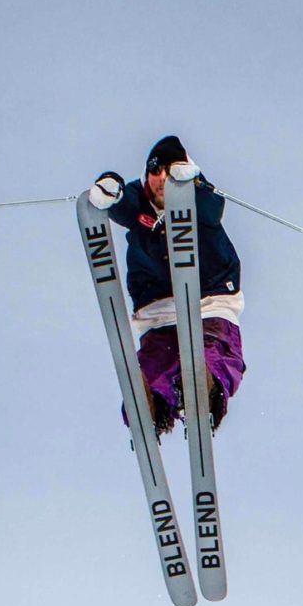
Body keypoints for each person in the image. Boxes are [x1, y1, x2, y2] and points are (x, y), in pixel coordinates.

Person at [87, 135, 247, 436]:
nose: (161, 179)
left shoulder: (199, 194)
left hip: (210, 303)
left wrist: (192, 183)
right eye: (155, 172)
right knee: (154, 364)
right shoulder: (139, 200)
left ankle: (204, 389)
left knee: (214, 351)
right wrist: (111, 192)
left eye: (168, 171)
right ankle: (150, 406)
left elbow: (213, 209)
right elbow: (124, 205)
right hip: (158, 311)